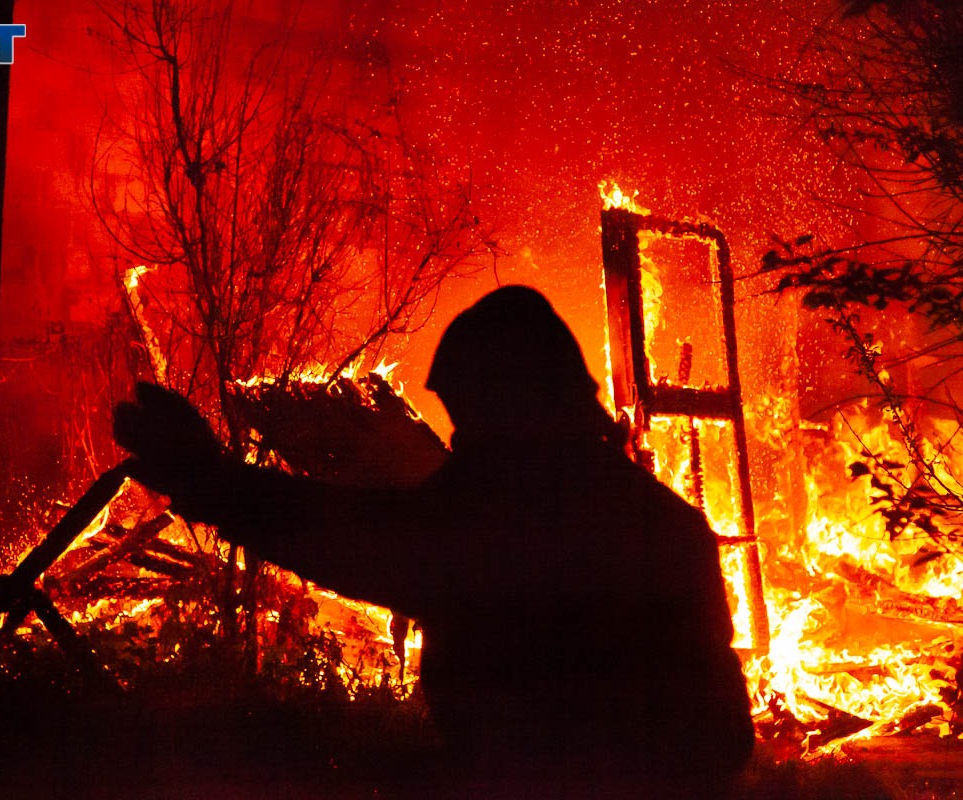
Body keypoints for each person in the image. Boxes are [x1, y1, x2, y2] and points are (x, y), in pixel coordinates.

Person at [114, 286, 754, 796]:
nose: (458, 440)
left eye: (469, 416)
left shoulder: (511, 520)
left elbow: (361, 542)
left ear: (513, 407)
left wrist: (216, 482)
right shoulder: (666, 522)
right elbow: (724, 740)